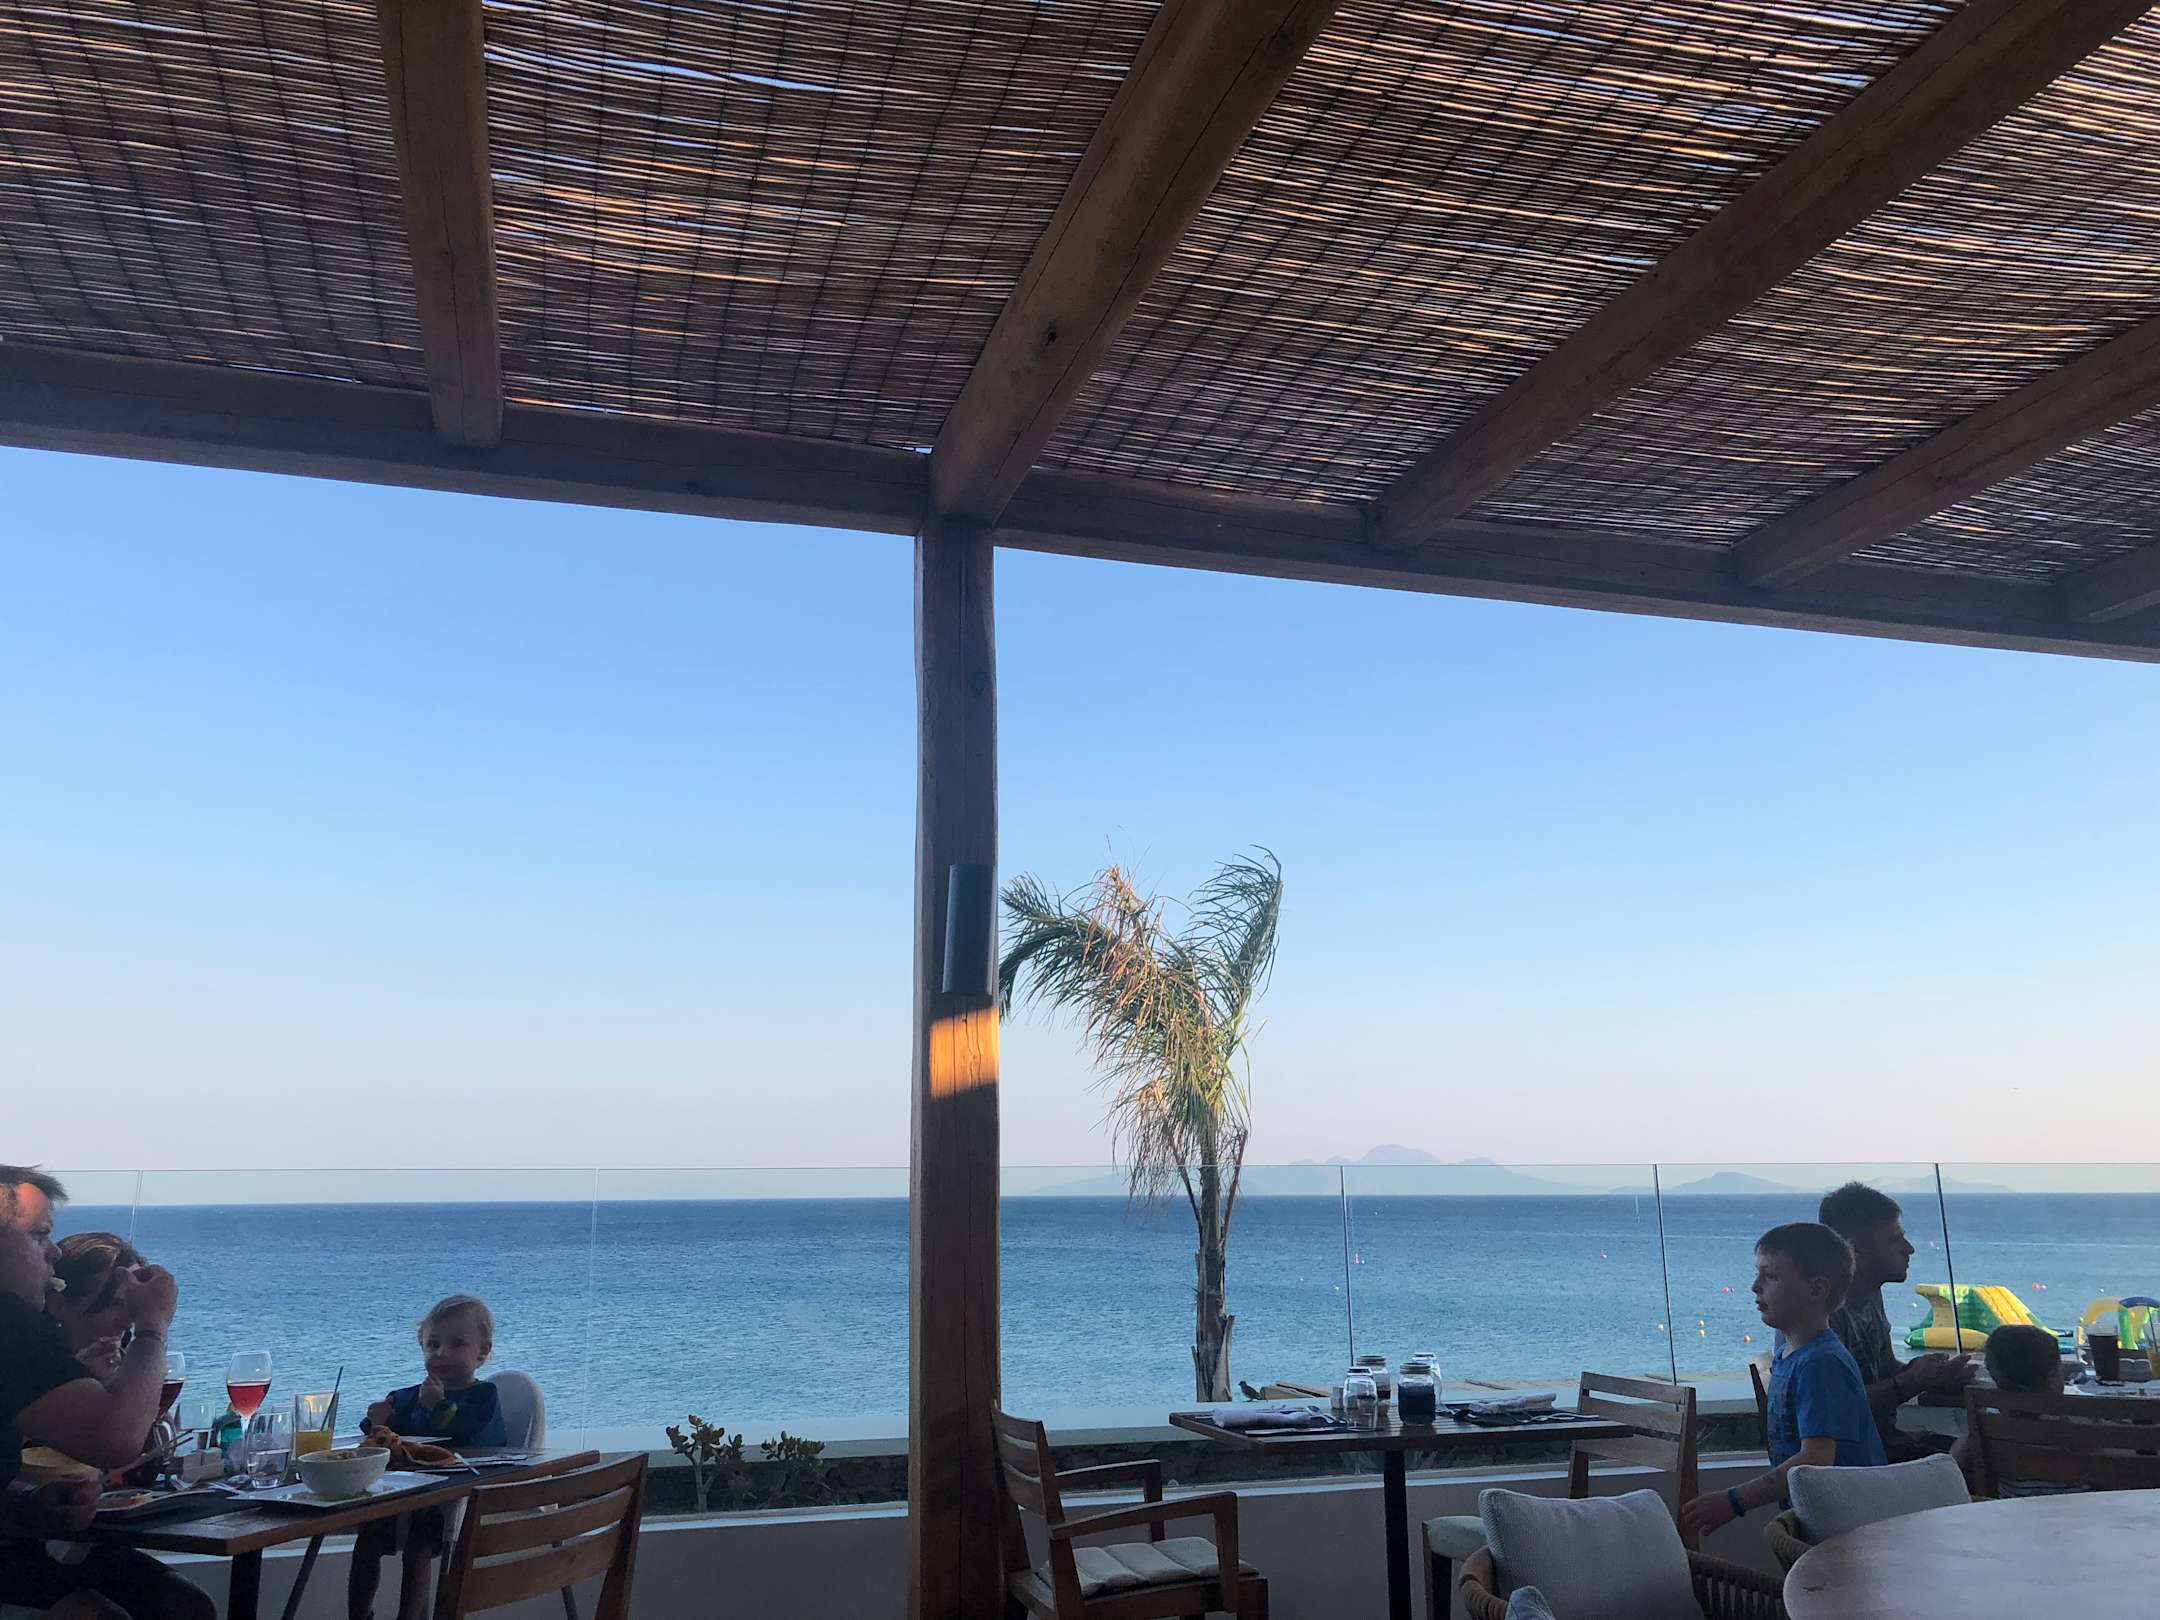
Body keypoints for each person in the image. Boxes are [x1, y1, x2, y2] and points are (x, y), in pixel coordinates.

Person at [0, 1166, 214, 1620]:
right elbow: (114, 1439)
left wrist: (27, 1502)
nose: (54, 1251)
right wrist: (153, 1326)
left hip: (23, 1541)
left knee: (185, 1607)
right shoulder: (9, 1325)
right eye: (39, 1235)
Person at [1681, 1221, 1885, 1536]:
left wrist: (1734, 1501)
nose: (1755, 1286)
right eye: (1758, 1274)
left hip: (1851, 1527)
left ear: (1816, 1290)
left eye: (1771, 1276)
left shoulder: (1821, 1363)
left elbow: (1815, 1458)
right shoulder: (1788, 1357)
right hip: (1826, 1520)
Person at [348, 1295, 505, 1620]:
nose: (442, 1353)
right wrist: (378, 1420)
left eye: (457, 1344)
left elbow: (473, 1434)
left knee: (419, 1545)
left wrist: (439, 1406)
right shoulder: (408, 1397)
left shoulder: (484, 1396)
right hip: (405, 1493)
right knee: (368, 1538)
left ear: (482, 1352)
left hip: (455, 1497)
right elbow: (384, 1436)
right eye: (433, 1345)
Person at [1818, 1182, 1974, 1461]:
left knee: (1983, 1450)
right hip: (1855, 1462)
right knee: (1985, 1456)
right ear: (1854, 1249)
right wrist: (1912, 1380)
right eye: (1894, 1239)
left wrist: (1935, 1376)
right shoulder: (1823, 1315)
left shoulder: (1870, 1294)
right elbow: (1836, 1410)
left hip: (1884, 1443)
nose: (1909, 1249)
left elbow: (1886, 1369)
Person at [46, 1234, 148, 1382]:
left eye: (132, 1304)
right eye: (115, 1305)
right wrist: (78, 1377)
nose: (128, 1323)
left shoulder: (126, 1363)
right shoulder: (22, 1371)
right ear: (58, 1306)